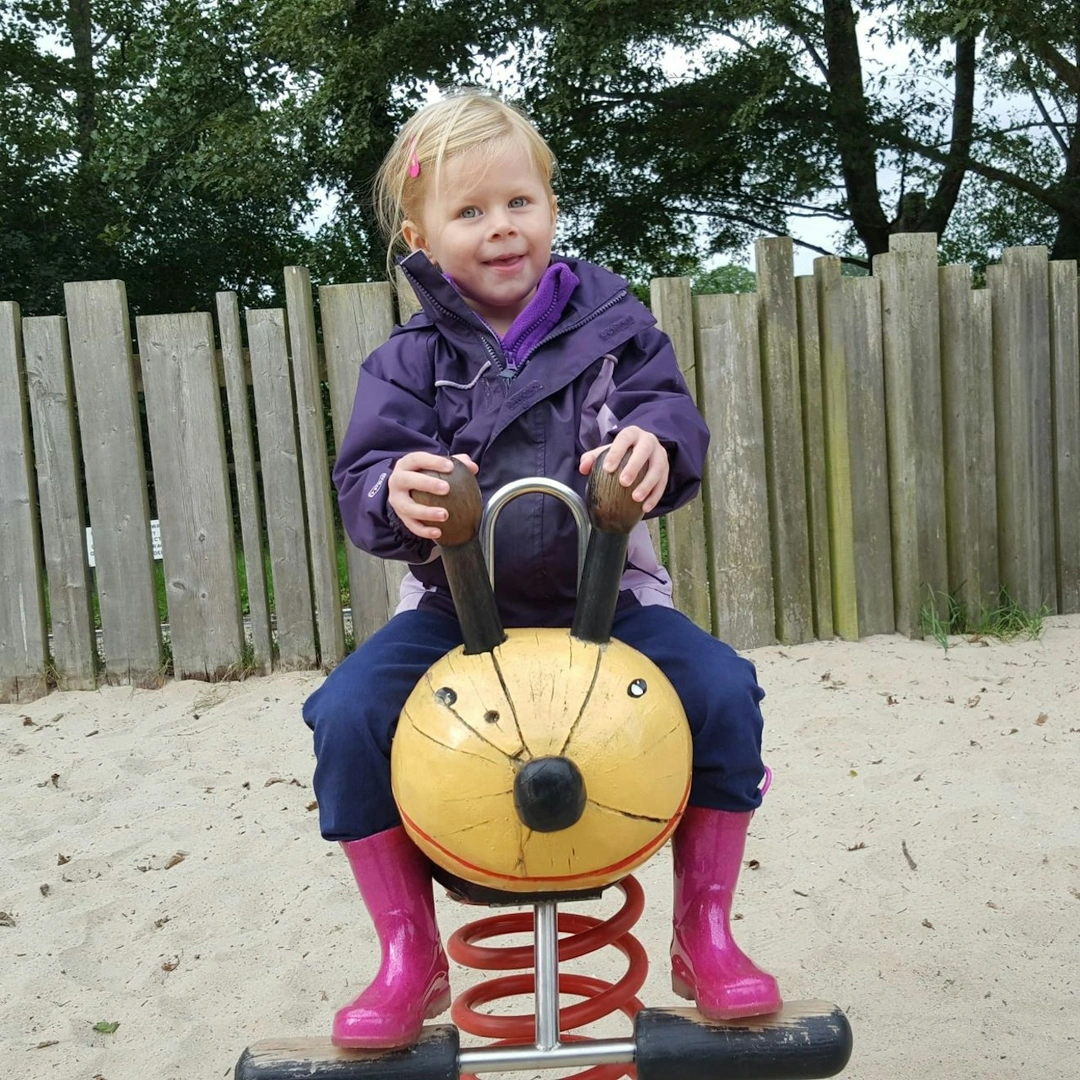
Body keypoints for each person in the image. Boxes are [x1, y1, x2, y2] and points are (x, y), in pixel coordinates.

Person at [303, 89, 782, 1050]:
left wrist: (655, 444)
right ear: (421, 235)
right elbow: (364, 473)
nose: (500, 229)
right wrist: (396, 488)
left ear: (551, 209)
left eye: (518, 202)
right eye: (469, 212)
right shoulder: (407, 361)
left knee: (725, 692)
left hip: (608, 602)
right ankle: (408, 952)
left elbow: (671, 417)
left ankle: (704, 929)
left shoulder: (614, 327)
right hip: (455, 607)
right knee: (348, 713)